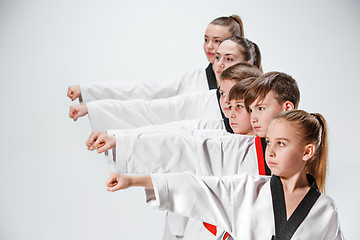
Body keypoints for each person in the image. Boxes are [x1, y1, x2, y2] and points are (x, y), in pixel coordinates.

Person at [89, 71, 299, 239]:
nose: (253, 117)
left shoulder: (304, 158)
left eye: (259, 108)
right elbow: (184, 143)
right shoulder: (237, 146)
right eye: (251, 110)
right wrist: (122, 142)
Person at [104, 110, 344, 240]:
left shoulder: (325, 210)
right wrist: (134, 180)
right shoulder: (249, 188)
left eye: (281, 144)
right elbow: (197, 187)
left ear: (307, 151)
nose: (270, 151)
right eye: (268, 142)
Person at [68, 37, 262, 132]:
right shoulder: (206, 100)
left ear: (247, 64)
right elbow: (152, 107)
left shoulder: (264, 100)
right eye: (218, 57)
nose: (219, 64)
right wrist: (93, 104)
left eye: (228, 59)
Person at [67, 15, 244, 103]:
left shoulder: (251, 82)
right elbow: (143, 90)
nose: (210, 47)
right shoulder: (189, 80)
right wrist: (88, 90)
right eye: (206, 40)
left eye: (217, 41)